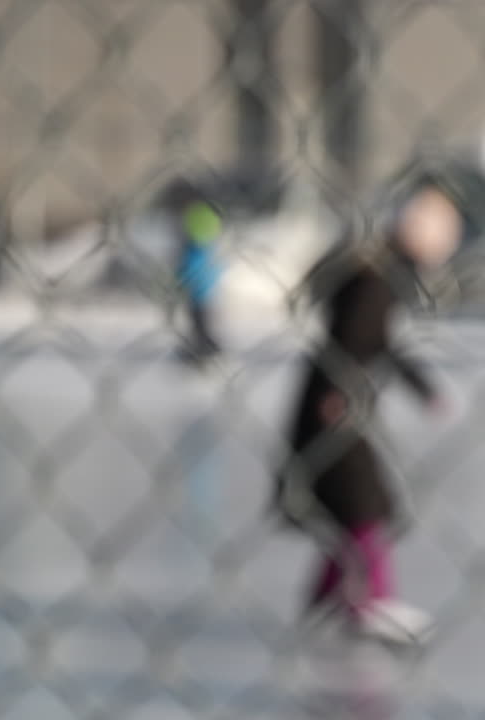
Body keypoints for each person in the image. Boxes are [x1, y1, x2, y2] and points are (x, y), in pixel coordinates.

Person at [272, 179, 461, 646]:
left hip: (336, 400)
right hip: (335, 406)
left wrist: (420, 387)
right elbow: (355, 335)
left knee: (352, 510)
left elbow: (382, 343)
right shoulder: (377, 276)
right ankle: (371, 603)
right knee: (364, 506)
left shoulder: (382, 271)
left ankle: (327, 601)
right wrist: (339, 393)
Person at [172, 181, 226, 362]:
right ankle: (205, 348)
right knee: (201, 322)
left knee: (199, 323)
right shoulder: (210, 216)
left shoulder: (194, 246)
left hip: (197, 289)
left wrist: (181, 278)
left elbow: (189, 266)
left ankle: (205, 350)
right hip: (204, 287)